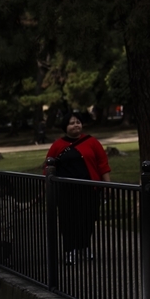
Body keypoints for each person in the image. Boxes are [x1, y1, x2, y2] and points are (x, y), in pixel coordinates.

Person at [45, 111, 111, 264]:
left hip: (89, 189)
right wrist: (48, 189)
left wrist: (107, 185)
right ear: (65, 126)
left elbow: (103, 164)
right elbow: (48, 168)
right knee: (68, 221)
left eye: (78, 122)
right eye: (72, 123)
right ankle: (70, 250)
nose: (76, 125)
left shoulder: (92, 142)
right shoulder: (57, 146)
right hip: (66, 192)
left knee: (87, 220)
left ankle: (84, 247)